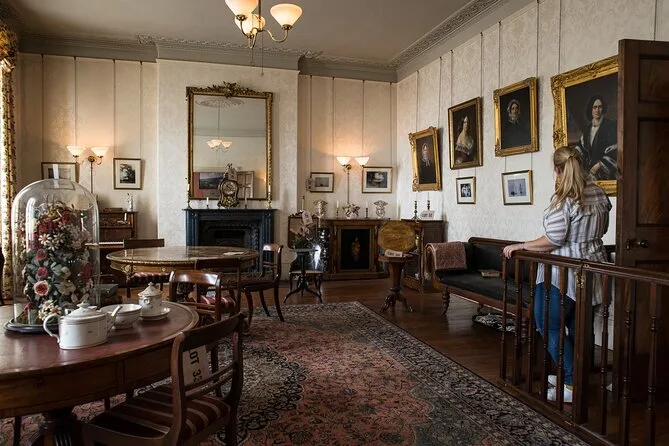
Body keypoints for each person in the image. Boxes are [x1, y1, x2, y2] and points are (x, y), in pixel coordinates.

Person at [502, 146, 611, 403]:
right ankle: (576, 374)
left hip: (562, 274)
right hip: (593, 269)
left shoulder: (565, 198)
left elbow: (553, 239)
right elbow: (603, 229)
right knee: (579, 328)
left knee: (547, 325)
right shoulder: (598, 193)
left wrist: (522, 245)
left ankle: (572, 383)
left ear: (558, 169)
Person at [575, 95, 617, 181]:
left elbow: (614, 151)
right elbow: (581, 149)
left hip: (604, 173)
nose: (597, 110)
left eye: (600, 107)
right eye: (595, 107)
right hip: (589, 173)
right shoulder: (588, 130)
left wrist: (598, 165)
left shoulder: (610, 126)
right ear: (591, 109)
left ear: (603, 109)